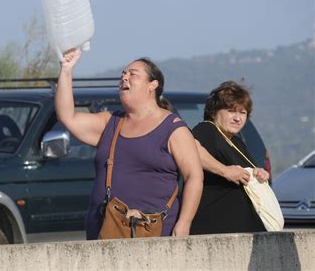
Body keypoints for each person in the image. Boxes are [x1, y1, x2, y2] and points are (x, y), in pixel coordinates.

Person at [56, 49, 203, 239]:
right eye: (123, 74)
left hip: (154, 234)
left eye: (133, 74)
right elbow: (67, 117)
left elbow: (194, 177)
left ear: (153, 85)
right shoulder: (110, 123)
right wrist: (66, 70)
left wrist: (184, 223)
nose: (124, 78)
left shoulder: (173, 128)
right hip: (104, 233)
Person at [190, 81, 270, 234]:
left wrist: (259, 174)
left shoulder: (237, 141)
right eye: (231, 111)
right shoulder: (207, 129)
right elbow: (191, 150)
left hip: (241, 230)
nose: (237, 118)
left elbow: (248, 171)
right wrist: (224, 170)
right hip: (214, 227)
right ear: (214, 112)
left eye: (243, 113)